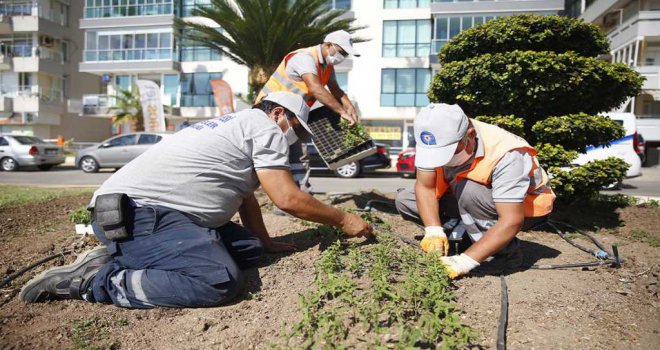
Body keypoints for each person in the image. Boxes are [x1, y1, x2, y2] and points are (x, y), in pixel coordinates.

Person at [20, 92, 373, 308]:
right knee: (216, 281)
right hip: (138, 215)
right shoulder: (264, 127)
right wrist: (345, 220)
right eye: (297, 128)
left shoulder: (237, 126)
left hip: (153, 215)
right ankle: (96, 280)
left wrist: (264, 240)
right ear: (278, 113)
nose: (294, 139)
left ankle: (126, 255)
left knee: (250, 249)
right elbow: (286, 198)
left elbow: (245, 197)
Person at [395, 103, 555, 279]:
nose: (443, 161)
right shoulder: (433, 138)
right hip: (470, 199)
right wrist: (433, 230)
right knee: (406, 199)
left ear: (470, 136)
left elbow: (512, 219)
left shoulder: (507, 152)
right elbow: (425, 187)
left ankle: (504, 255)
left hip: (523, 210)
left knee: (469, 191)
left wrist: (464, 262)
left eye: (448, 153)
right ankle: (468, 236)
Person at [255, 30, 361, 190]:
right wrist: (342, 112)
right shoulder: (305, 58)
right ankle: (274, 193)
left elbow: (336, 90)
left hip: (292, 115)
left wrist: (350, 107)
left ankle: (301, 192)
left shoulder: (327, 67)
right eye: (341, 52)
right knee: (274, 153)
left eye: (345, 54)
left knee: (298, 155)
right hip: (271, 112)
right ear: (328, 45)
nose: (342, 57)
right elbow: (316, 88)